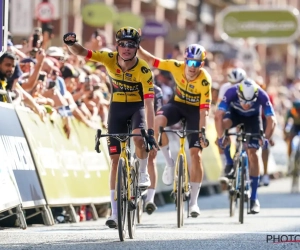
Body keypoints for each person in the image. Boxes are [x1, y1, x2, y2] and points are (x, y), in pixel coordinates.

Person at [63, 26, 158, 228]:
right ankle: (114, 213)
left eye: (131, 45)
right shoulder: (108, 58)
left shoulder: (143, 70)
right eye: (122, 44)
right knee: (115, 161)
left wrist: (150, 131)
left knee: (139, 139)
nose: (126, 49)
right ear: (117, 45)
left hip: (137, 108)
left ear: (136, 47)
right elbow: (82, 52)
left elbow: (149, 104)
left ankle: (142, 173)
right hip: (116, 108)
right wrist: (72, 44)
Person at [137, 43, 211, 218]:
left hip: (195, 112)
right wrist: (139, 47)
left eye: (197, 63)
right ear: (184, 60)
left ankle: (193, 202)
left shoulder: (205, 80)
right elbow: (152, 61)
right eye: (189, 62)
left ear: (201, 64)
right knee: (158, 120)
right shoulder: (176, 66)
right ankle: (170, 163)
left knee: (196, 154)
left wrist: (202, 132)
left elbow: (204, 111)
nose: (192, 67)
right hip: (177, 105)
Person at [215, 79, 277, 214]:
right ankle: (229, 163)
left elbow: (272, 120)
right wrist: (221, 137)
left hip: (253, 119)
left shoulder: (262, 94)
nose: (247, 105)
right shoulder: (231, 91)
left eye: (250, 102)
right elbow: (218, 116)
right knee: (223, 127)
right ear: (239, 94)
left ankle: (254, 198)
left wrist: (266, 138)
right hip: (234, 115)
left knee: (253, 153)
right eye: (243, 101)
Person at [216, 68, 247, 178]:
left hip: (244, 112)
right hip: (230, 111)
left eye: (238, 83)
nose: (235, 85)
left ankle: (242, 151)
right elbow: (220, 106)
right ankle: (228, 162)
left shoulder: (249, 86)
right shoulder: (225, 88)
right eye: (233, 83)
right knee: (222, 130)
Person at [144, 81, 163, 215]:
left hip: (151, 125)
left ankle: (150, 199)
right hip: (134, 123)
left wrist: (155, 136)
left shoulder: (157, 91)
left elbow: (158, 115)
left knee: (151, 158)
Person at [256, 77, 275, 186]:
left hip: (264, 120)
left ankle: (266, 174)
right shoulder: (248, 96)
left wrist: (269, 136)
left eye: (261, 87)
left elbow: (271, 118)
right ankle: (253, 174)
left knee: (265, 147)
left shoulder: (267, 97)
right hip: (252, 119)